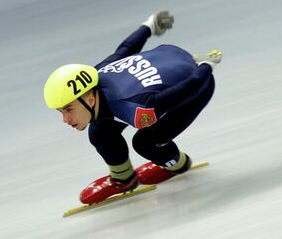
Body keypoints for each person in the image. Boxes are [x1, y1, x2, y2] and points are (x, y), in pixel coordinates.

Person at [43, 11, 221, 205]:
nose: (66, 120)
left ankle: (178, 164)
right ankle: (124, 179)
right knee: (99, 131)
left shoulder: (136, 109)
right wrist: (149, 27)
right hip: (167, 57)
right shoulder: (97, 74)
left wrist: (205, 66)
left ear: (90, 98)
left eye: (69, 109)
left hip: (195, 88)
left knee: (145, 142)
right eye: (61, 112)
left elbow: (186, 89)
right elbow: (124, 50)